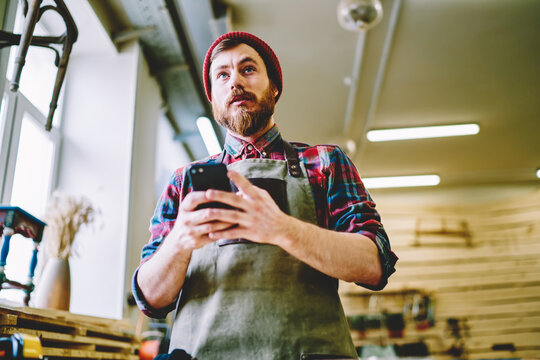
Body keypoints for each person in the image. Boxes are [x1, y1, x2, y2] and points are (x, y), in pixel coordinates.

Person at [132, 31, 397, 359]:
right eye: (223, 75)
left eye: (248, 69)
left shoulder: (325, 163)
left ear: (274, 87)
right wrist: (180, 241)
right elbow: (150, 300)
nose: (235, 83)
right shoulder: (184, 181)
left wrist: (283, 229)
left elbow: (375, 263)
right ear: (213, 99)